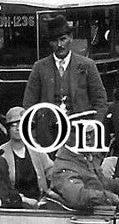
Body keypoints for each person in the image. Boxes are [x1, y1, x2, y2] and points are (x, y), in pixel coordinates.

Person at [21, 14, 108, 144]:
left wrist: (93, 126)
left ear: (71, 38)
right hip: (49, 135)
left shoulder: (87, 65)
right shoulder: (39, 67)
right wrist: (33, 133)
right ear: (50, 43)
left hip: (80, 133)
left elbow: (100, 101)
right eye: (55, 41)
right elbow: (29, 103)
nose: (60, 45)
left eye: (63, 39)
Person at [46, 119, 119, 210]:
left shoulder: (83, 158)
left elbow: (105, 184)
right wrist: (108, 197)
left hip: (100, 214)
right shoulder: (64, 166)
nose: (88, 137)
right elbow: (78, 197)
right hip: (88, 221)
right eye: (81, 133)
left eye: (90, 132)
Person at [0, 106, 52, 205]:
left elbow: (52, 172)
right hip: (14, 206)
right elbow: (0, 186)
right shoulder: (1, 153)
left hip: (40, 203)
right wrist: (23, 200)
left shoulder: (37, 150)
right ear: (8, 129)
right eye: (14, 125)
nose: (18, 128)